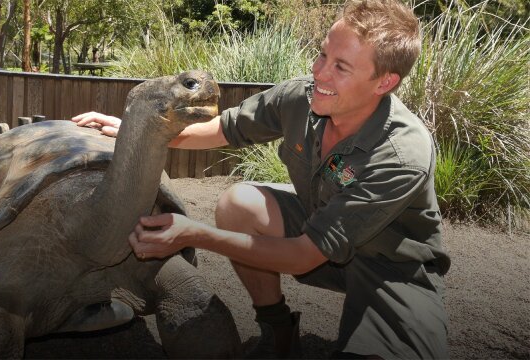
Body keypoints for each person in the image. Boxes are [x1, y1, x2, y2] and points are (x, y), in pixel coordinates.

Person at [72, 1, 450, 358]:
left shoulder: (401, 157)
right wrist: (142, 129)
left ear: (383, 83)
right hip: (319, 231)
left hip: (392, 267)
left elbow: (303, 257)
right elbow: (226, 128)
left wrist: (193, 233)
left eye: (341, 67)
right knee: (238, 205)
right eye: (322, 54)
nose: (319, 72)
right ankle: (278, 330)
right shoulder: (302, 98)